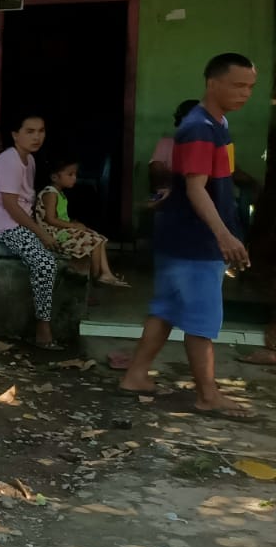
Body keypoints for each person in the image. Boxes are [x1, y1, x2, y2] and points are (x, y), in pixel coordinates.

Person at [120, 53, 259, 419]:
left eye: (250, 87)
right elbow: (197, 189)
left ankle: (135, 375)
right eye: (238, 85)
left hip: (179, 235)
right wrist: (225, 236)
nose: (245, 93)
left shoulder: (217, 123)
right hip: (194, 241)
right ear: (213, 83)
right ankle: (208, 396)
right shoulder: (199, 127)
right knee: (201, 320)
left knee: (165, 308)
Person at [0, 112, 61, 348]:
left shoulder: (29, 160)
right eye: (30, 131)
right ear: (15, 135)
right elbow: (10, 205)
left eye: (41, 131)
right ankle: (42, 325)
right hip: (2, 222)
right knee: (45, 263)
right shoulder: (9, 161)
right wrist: (41, 233)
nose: (37, 137)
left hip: (19, 220)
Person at [36, 157, 127, 287]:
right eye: (70, 174)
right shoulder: (50, 194)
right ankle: (94, 280)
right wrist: (72, 225)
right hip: (54, 234)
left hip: (61, 230)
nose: (74, 178)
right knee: (94, 242)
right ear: (54, 177)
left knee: (99, 238)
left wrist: (72, 222)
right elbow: (50, 219)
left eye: (75, 174)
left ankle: (106, 274)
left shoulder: (59, 193)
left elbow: (59, 217)